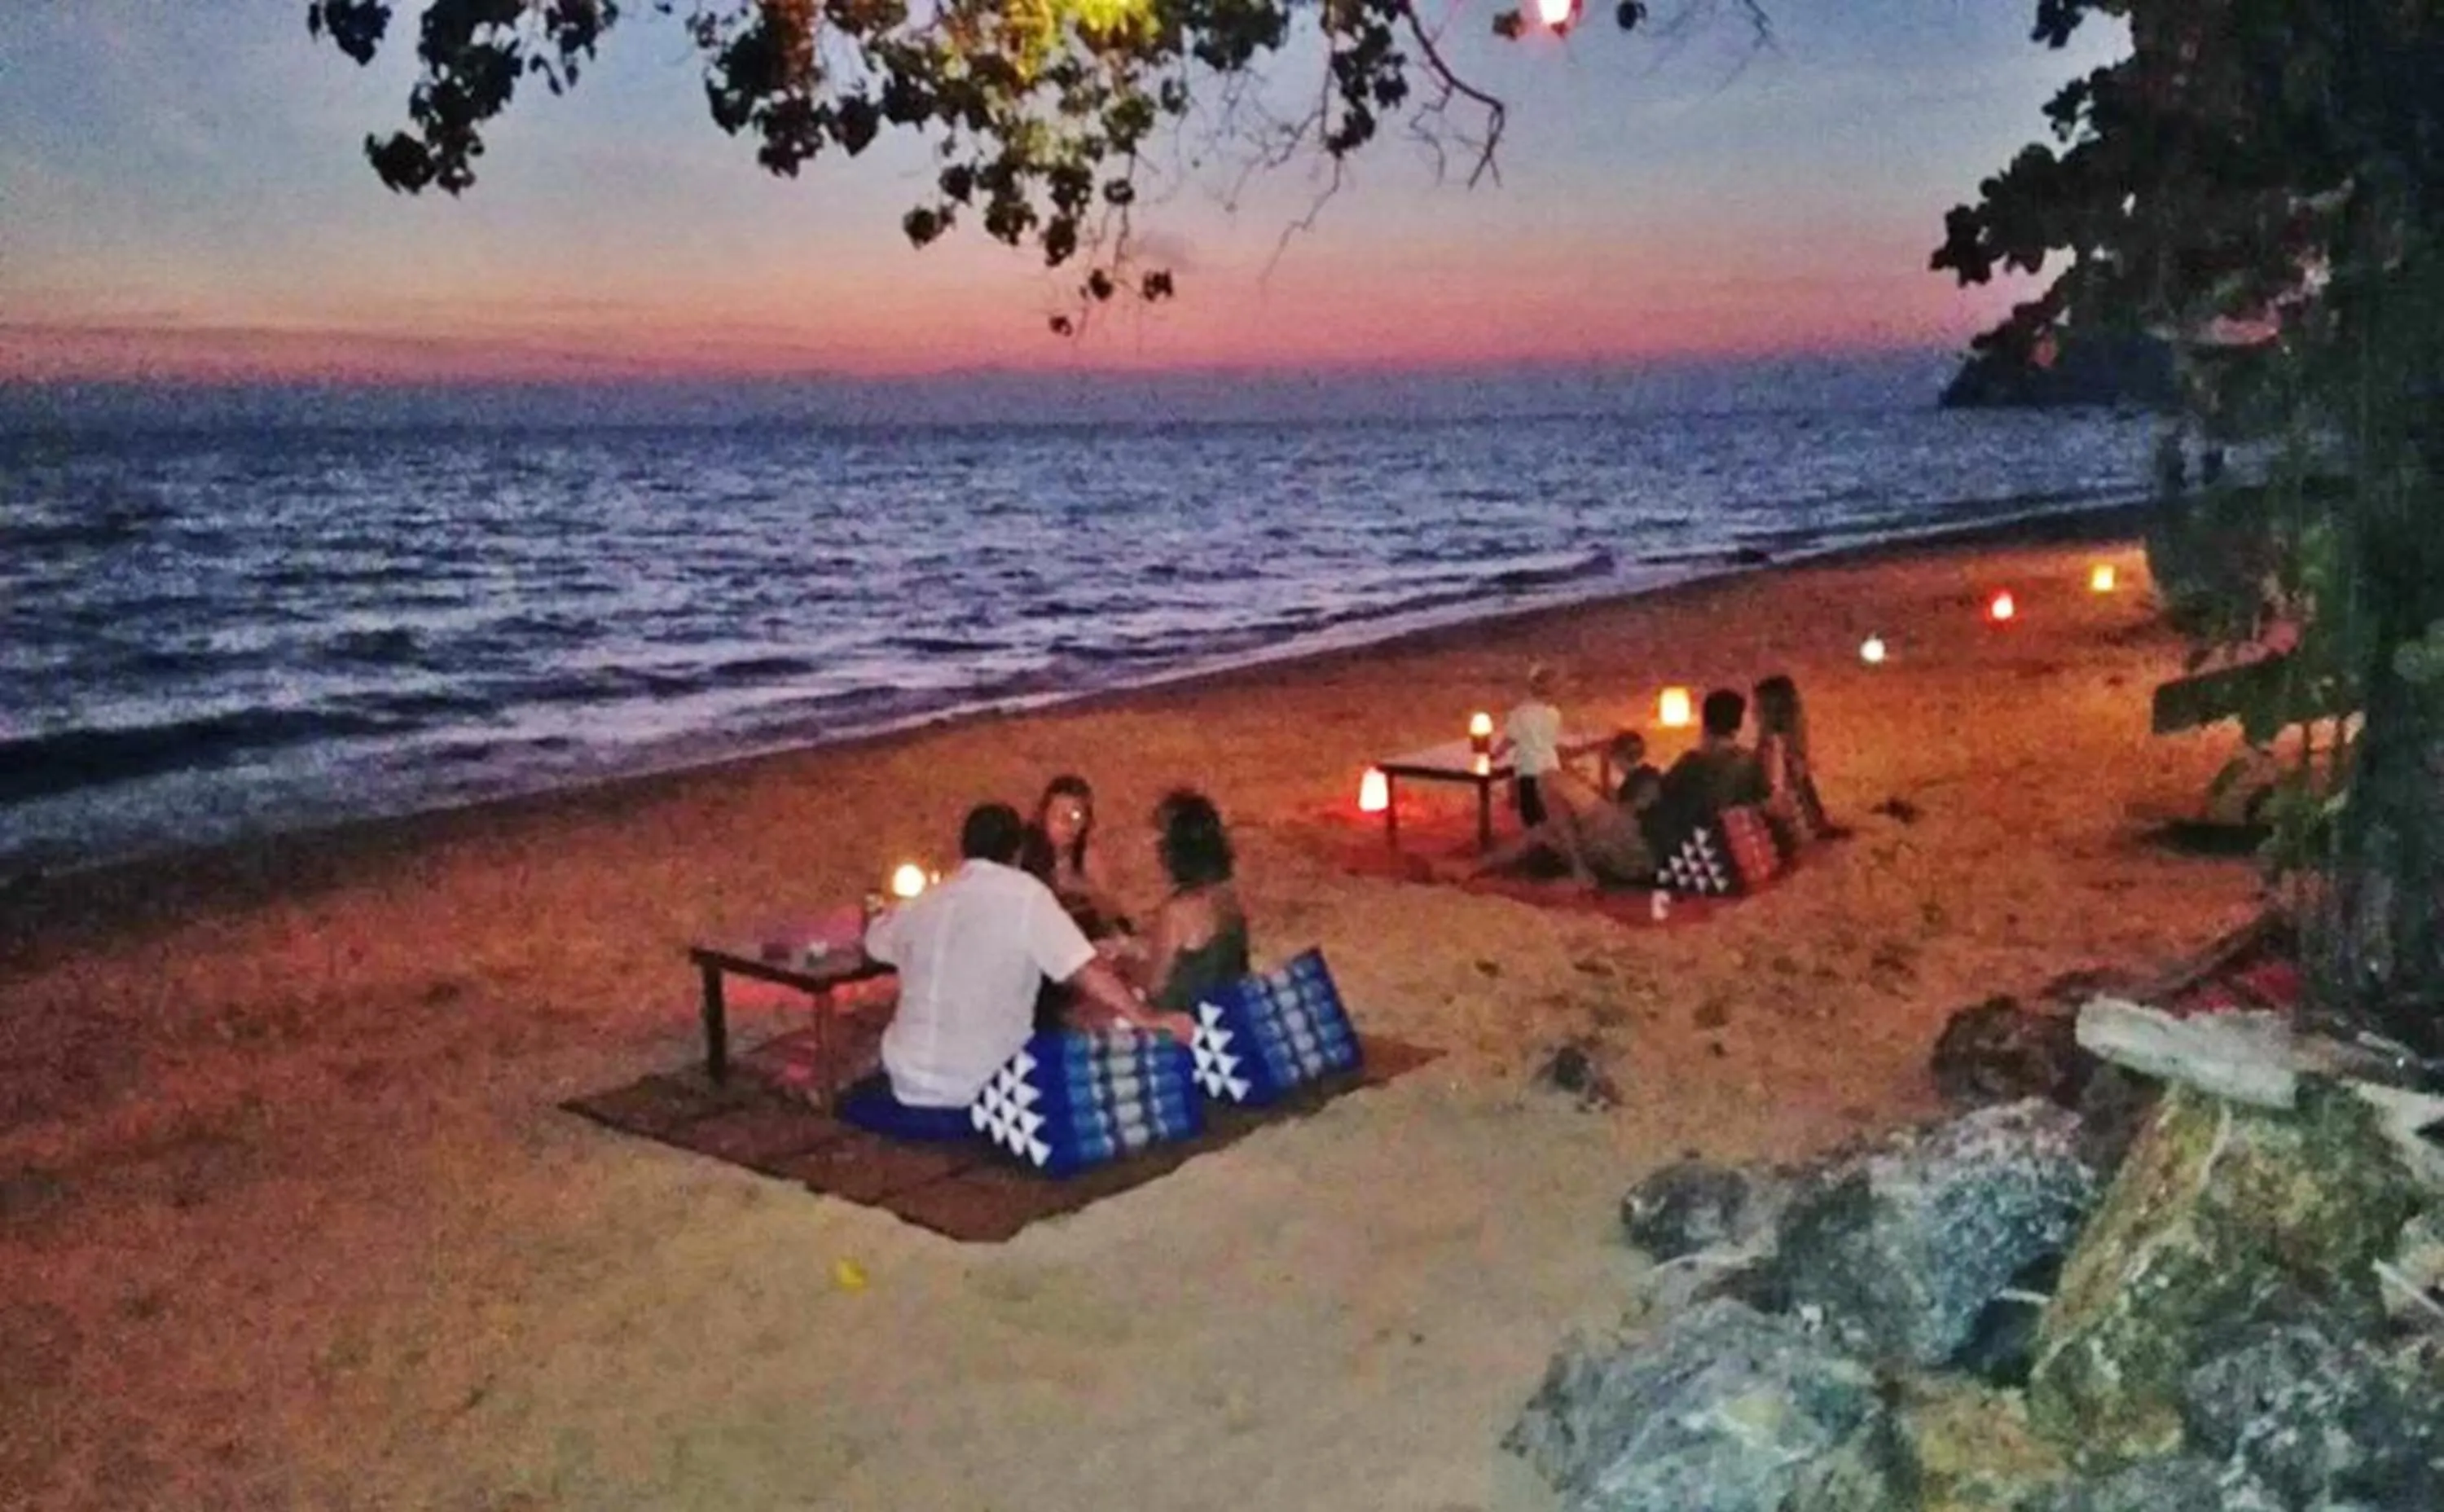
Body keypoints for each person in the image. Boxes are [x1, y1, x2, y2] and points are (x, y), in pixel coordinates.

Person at [845, 802, 1193, 1141]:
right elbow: (1087, 971)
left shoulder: (930, 899)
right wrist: (1143, 1017)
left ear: (965, 847)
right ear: (1017, 852)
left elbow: (875, 941)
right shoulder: (1026, 897)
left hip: (910, 1082)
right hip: (990, 1082)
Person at [1456, 731, 1660, 890]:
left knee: (1549, 778)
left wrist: (1593, 786)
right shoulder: (1628, 782)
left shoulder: (1649, 777)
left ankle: (1579, 870)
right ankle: (1473, 867)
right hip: (1609, 842)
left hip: (1628, 845)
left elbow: (1633, 813)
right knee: (1540, 832)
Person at [1128, 789, 1252, 1014]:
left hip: (1187, 1025)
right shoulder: (1227, 897)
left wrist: (1125, 965)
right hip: (1227, 1012)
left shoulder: (1178, 911)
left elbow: (1154, 986)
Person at [1653, 688, 1769, 843]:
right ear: (1739, 724)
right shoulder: (1750, 764)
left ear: (1705, 722)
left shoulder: (1690, 764)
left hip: (1697, 849)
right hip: (1739, 848)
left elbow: (1662, 804)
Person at [1022, 773, 1128, 937]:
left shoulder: (1087, 858)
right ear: (1043, 817)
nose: (1067, 823)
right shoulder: (1025, 855)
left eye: (1076, 816)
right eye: (1058, 814)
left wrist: (1085, 890)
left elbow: (1111, 913)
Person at [1752, 673, 1830, 854]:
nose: (1753, 713)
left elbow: (1775, 797)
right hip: (1797, 827)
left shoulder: (1775, 747)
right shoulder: (1787, 746)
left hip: (1784, 833)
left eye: (1757, 708)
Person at [1495, 663, 1565, 829]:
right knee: (1549, 817)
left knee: (1532, 818)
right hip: (1551, 768)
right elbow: (1552, 742)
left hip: (1530, 769)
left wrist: (1496, 754)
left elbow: (1510, 739)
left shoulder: (1521, 712)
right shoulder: (1554, 714)